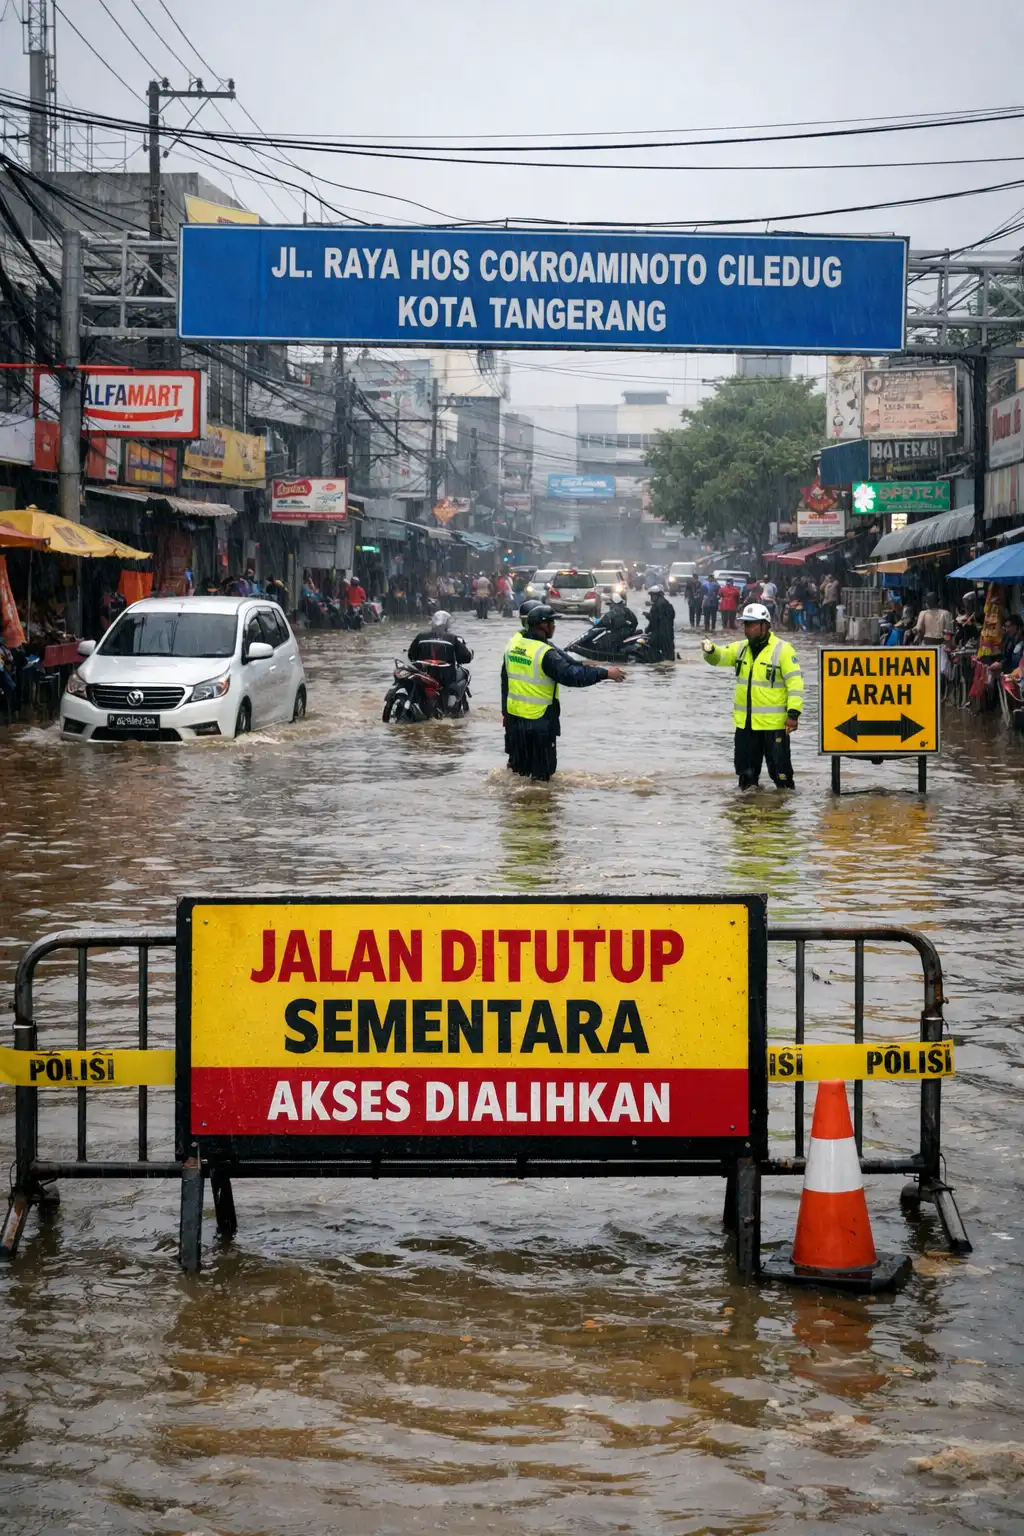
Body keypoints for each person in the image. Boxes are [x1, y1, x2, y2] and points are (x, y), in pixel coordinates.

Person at [502, 603, 625, 781]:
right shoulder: (545, 653)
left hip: (515, 722)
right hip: (539, 722)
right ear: (543, 625)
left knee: (518, 772)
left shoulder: (514, 644)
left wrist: (505, 714)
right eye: (552, 622)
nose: (554, 626)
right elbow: (570, 676)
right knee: (542, 778)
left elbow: (504, 680)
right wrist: (605, 674)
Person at [702, 601, 804, 790]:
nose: (747, 629)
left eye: (751, 624)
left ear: (765, 626)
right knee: (746, 778)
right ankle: (749, 806)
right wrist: (710, 651)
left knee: (782, 776)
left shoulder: (783, 650)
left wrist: (793, 714)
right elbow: (720, 658)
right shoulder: (741, 648)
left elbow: (795, 684)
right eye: (745, 624)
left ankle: (784, 807)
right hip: (746, 725)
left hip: (774, 726)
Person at [408, 610, 473, 700]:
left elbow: (411, 655)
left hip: (423, 674)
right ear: (447, 625)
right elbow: (465, 657)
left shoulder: (421, 637)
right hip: (445, 678)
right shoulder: (452, 638)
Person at [644, 585, 677, 661]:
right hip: (669, 633)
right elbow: (671, 617)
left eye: (651, 595)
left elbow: (654, 622)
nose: (651, 597)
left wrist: (647, 629)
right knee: (669, 655)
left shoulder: (655, 606)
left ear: (655, 595)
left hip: (660, 635)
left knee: (652, 651)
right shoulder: (667, 603)